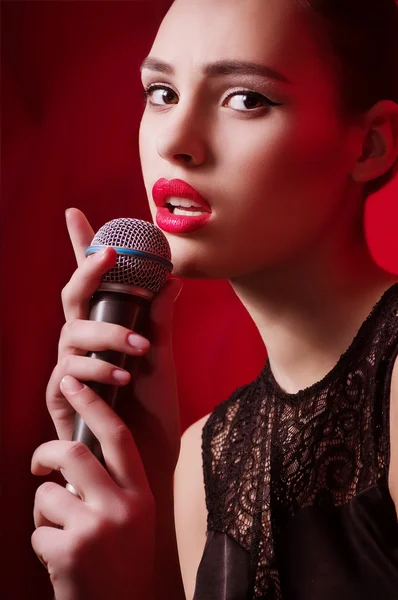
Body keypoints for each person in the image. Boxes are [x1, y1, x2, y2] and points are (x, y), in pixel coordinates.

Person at [31, 0, 398, 598]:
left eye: (246, 99)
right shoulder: (204, 457)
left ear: (370, 146)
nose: (176, 142)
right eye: (161, 93)